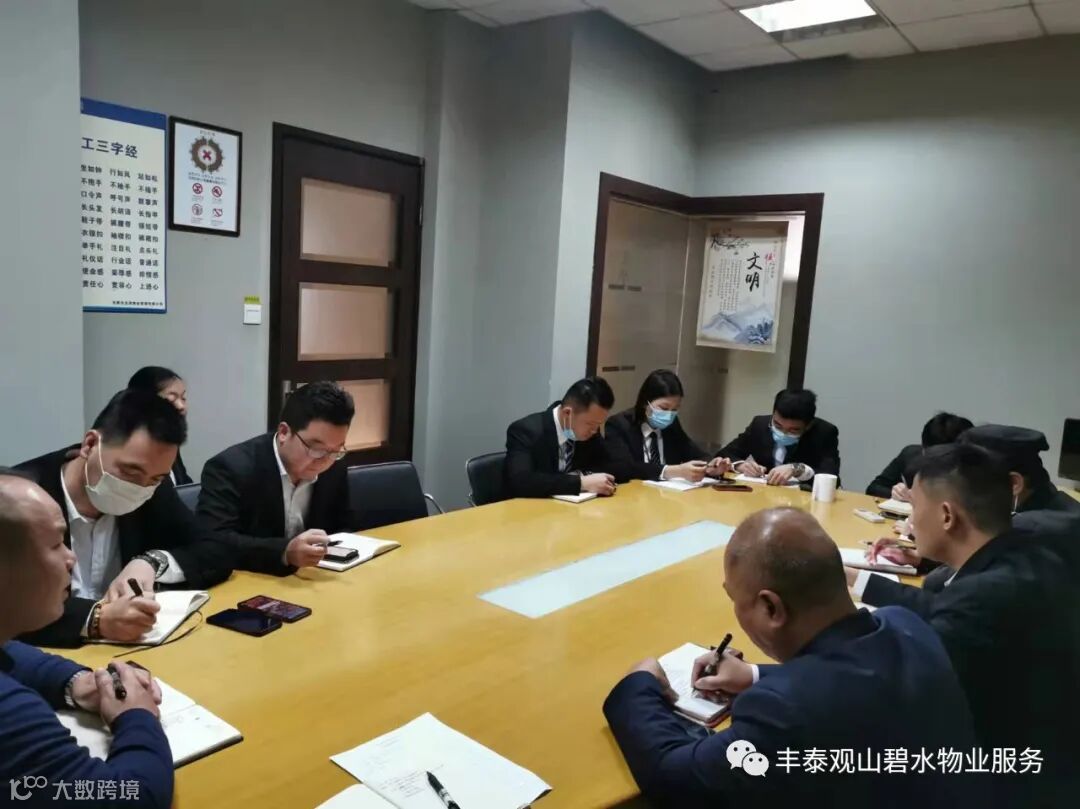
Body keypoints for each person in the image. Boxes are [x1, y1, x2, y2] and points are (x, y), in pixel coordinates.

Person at [603, 508, 978, 809]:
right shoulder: (906, 624)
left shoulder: (783, 711)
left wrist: (639, 685)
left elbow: (673, 780)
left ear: (771, 608)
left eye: (735, 599)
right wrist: (754, 675)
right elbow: (856, 679)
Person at [847, 443, 1080, 803]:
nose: (909, 522)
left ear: (947, 516)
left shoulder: (984, 598)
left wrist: (766, 673)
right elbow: (942, 607)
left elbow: (890, 688)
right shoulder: (1025, 552)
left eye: (913, 508)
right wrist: (852, 578)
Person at [0, 470, 173, 808]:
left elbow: (10, 653)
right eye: (56, 544)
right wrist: (136, 716)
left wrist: (77, 684)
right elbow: (132, 797)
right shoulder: (11, 714)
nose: (71, 558)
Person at [12, 390, 235, 648]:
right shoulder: (20, 499)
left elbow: (217, 549)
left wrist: (150, 562)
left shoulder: (150, 486)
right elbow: (8, 603)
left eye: (156, 479)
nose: (139, 488)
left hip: (131, 652)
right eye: (130, 472)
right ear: (90, 445)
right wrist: (95, 619)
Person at [198, 381, 358, 576]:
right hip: (251, 580)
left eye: (335, 450)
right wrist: (284, 552)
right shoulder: (231, 468)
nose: (324, 460)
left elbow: (343, 526)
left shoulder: (334, 465)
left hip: (312, 578)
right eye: (316, 448)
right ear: (284, 432)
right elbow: (215, 540)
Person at [504, 376, 627, 498]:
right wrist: (581, 483)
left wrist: (589, 476)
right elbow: (521, 482)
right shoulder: (526, 431)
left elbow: (613, 466)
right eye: (590, 424)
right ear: (567, 413)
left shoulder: (590, 431)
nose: (594, 431)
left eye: (598, 424)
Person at [604, 370, 717, 483]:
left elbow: (693, 452)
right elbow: (624, 468)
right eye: (664, 408)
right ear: (645, 403)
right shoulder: (618, 425)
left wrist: (712, 465)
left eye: (674, 409)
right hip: (635, 491)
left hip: (668, 491)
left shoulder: (672, 424)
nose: (669, 415)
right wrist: (673, 471)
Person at [714, 388, 839, 486]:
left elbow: (832, 478)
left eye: (793, 430)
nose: (783, 433)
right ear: (773, 414)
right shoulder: (760, 424)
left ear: (808, 425)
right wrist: (740, 465)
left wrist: (798, 469)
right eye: (778, 426)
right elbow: (724, 454)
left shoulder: (824, 433)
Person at [865, 412, 972, 500]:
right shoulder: (911, 455)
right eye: (932, 457)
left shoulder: (975, 471)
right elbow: (874, 488)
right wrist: (895, 493)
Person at [127, 366, 191, 485]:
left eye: (183, 398)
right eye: (172, 399)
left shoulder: (169, 442)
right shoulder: (129, 449)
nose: (182, 406)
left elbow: (184, 487)